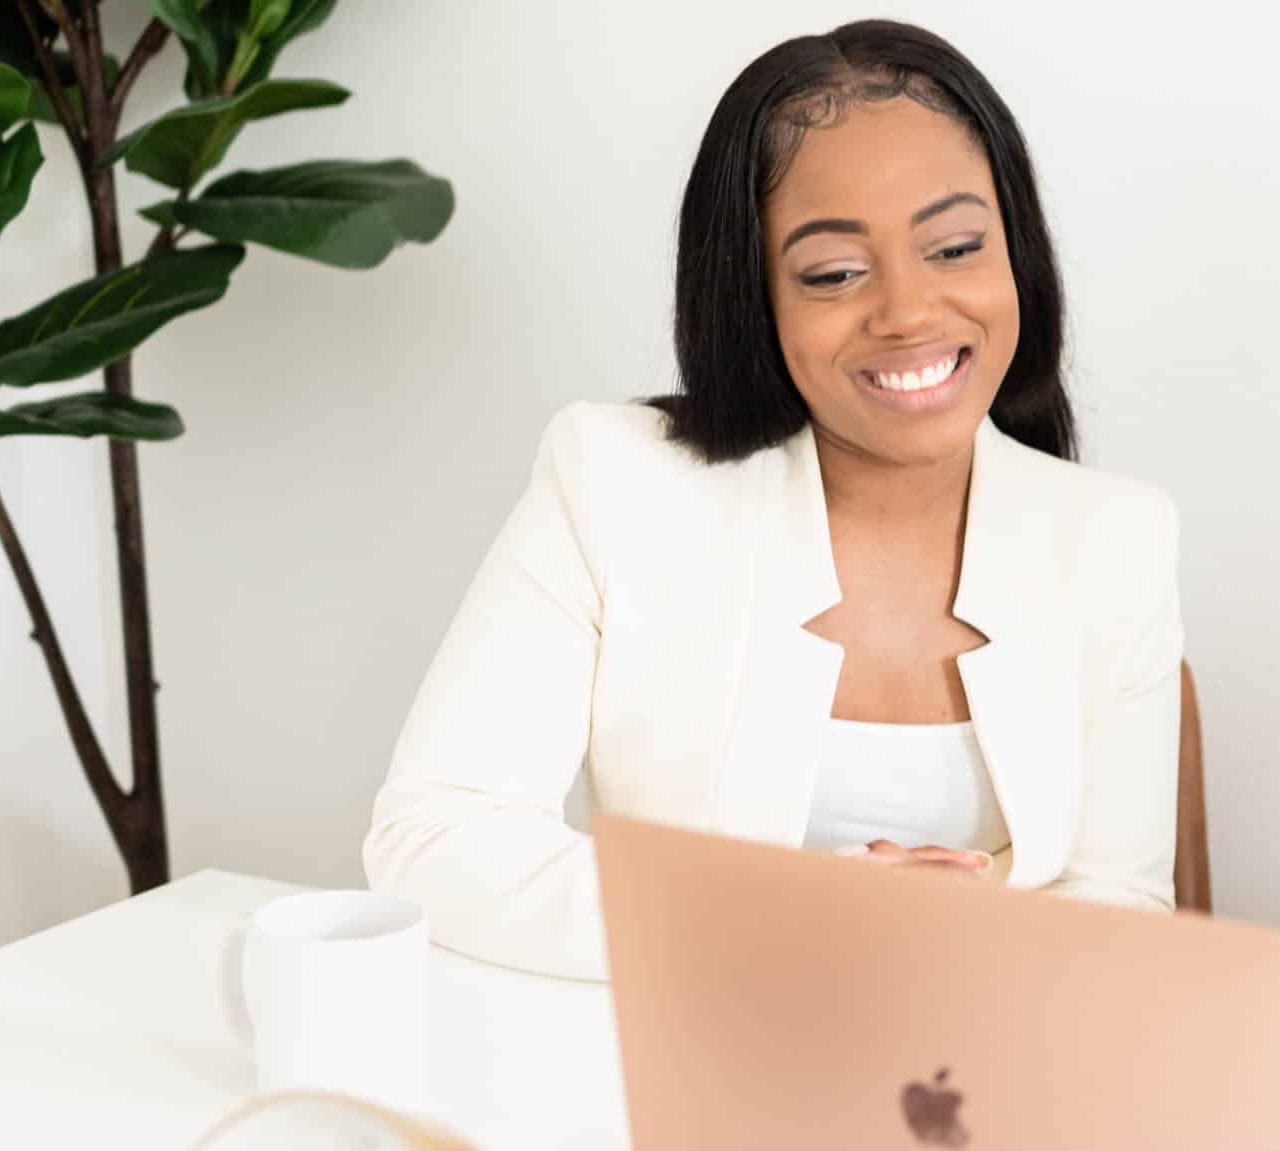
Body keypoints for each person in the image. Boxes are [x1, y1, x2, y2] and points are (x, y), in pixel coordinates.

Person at [365, 21, 1181, 980]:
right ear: (753, 295)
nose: (910, 312)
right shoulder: (615, 480)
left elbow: (1122, 907)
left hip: (976, 1088)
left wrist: (959, 950)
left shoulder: (1118, 536)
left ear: (1018, 259)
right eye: (834, 272)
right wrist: (805, 921)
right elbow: (432, 841)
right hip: (684, 1083)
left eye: (956, 247)